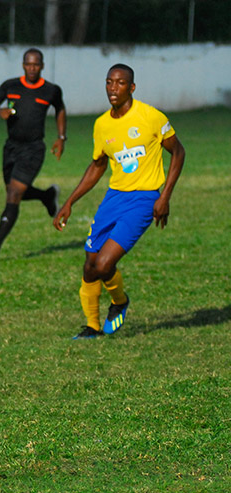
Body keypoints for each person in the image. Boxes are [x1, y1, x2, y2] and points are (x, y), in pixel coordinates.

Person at [53, 64, 185, 339]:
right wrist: (69, 202)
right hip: (114, 197)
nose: (113, 88)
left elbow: (178, 152)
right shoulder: (102, 124)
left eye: (121, 83)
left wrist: (165, 196)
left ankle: (120, 301)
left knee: (103, 265)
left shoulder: (151, 116)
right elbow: (97, 166)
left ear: (132, 87)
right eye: (109, 82)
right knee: (89, 266)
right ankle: (92, 327)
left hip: (144, 200)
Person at [0, 48, 67, 262]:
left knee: (14, 195)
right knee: (14, 191)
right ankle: (47, 196)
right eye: (28, 64)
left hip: (34, 149)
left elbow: (60, 109)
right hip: (11, 148)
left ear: (42, 66)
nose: (32, 68)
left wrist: (61, 137)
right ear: (23, 65)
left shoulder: (51, 90)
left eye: (36, 65)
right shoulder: (10, 86)